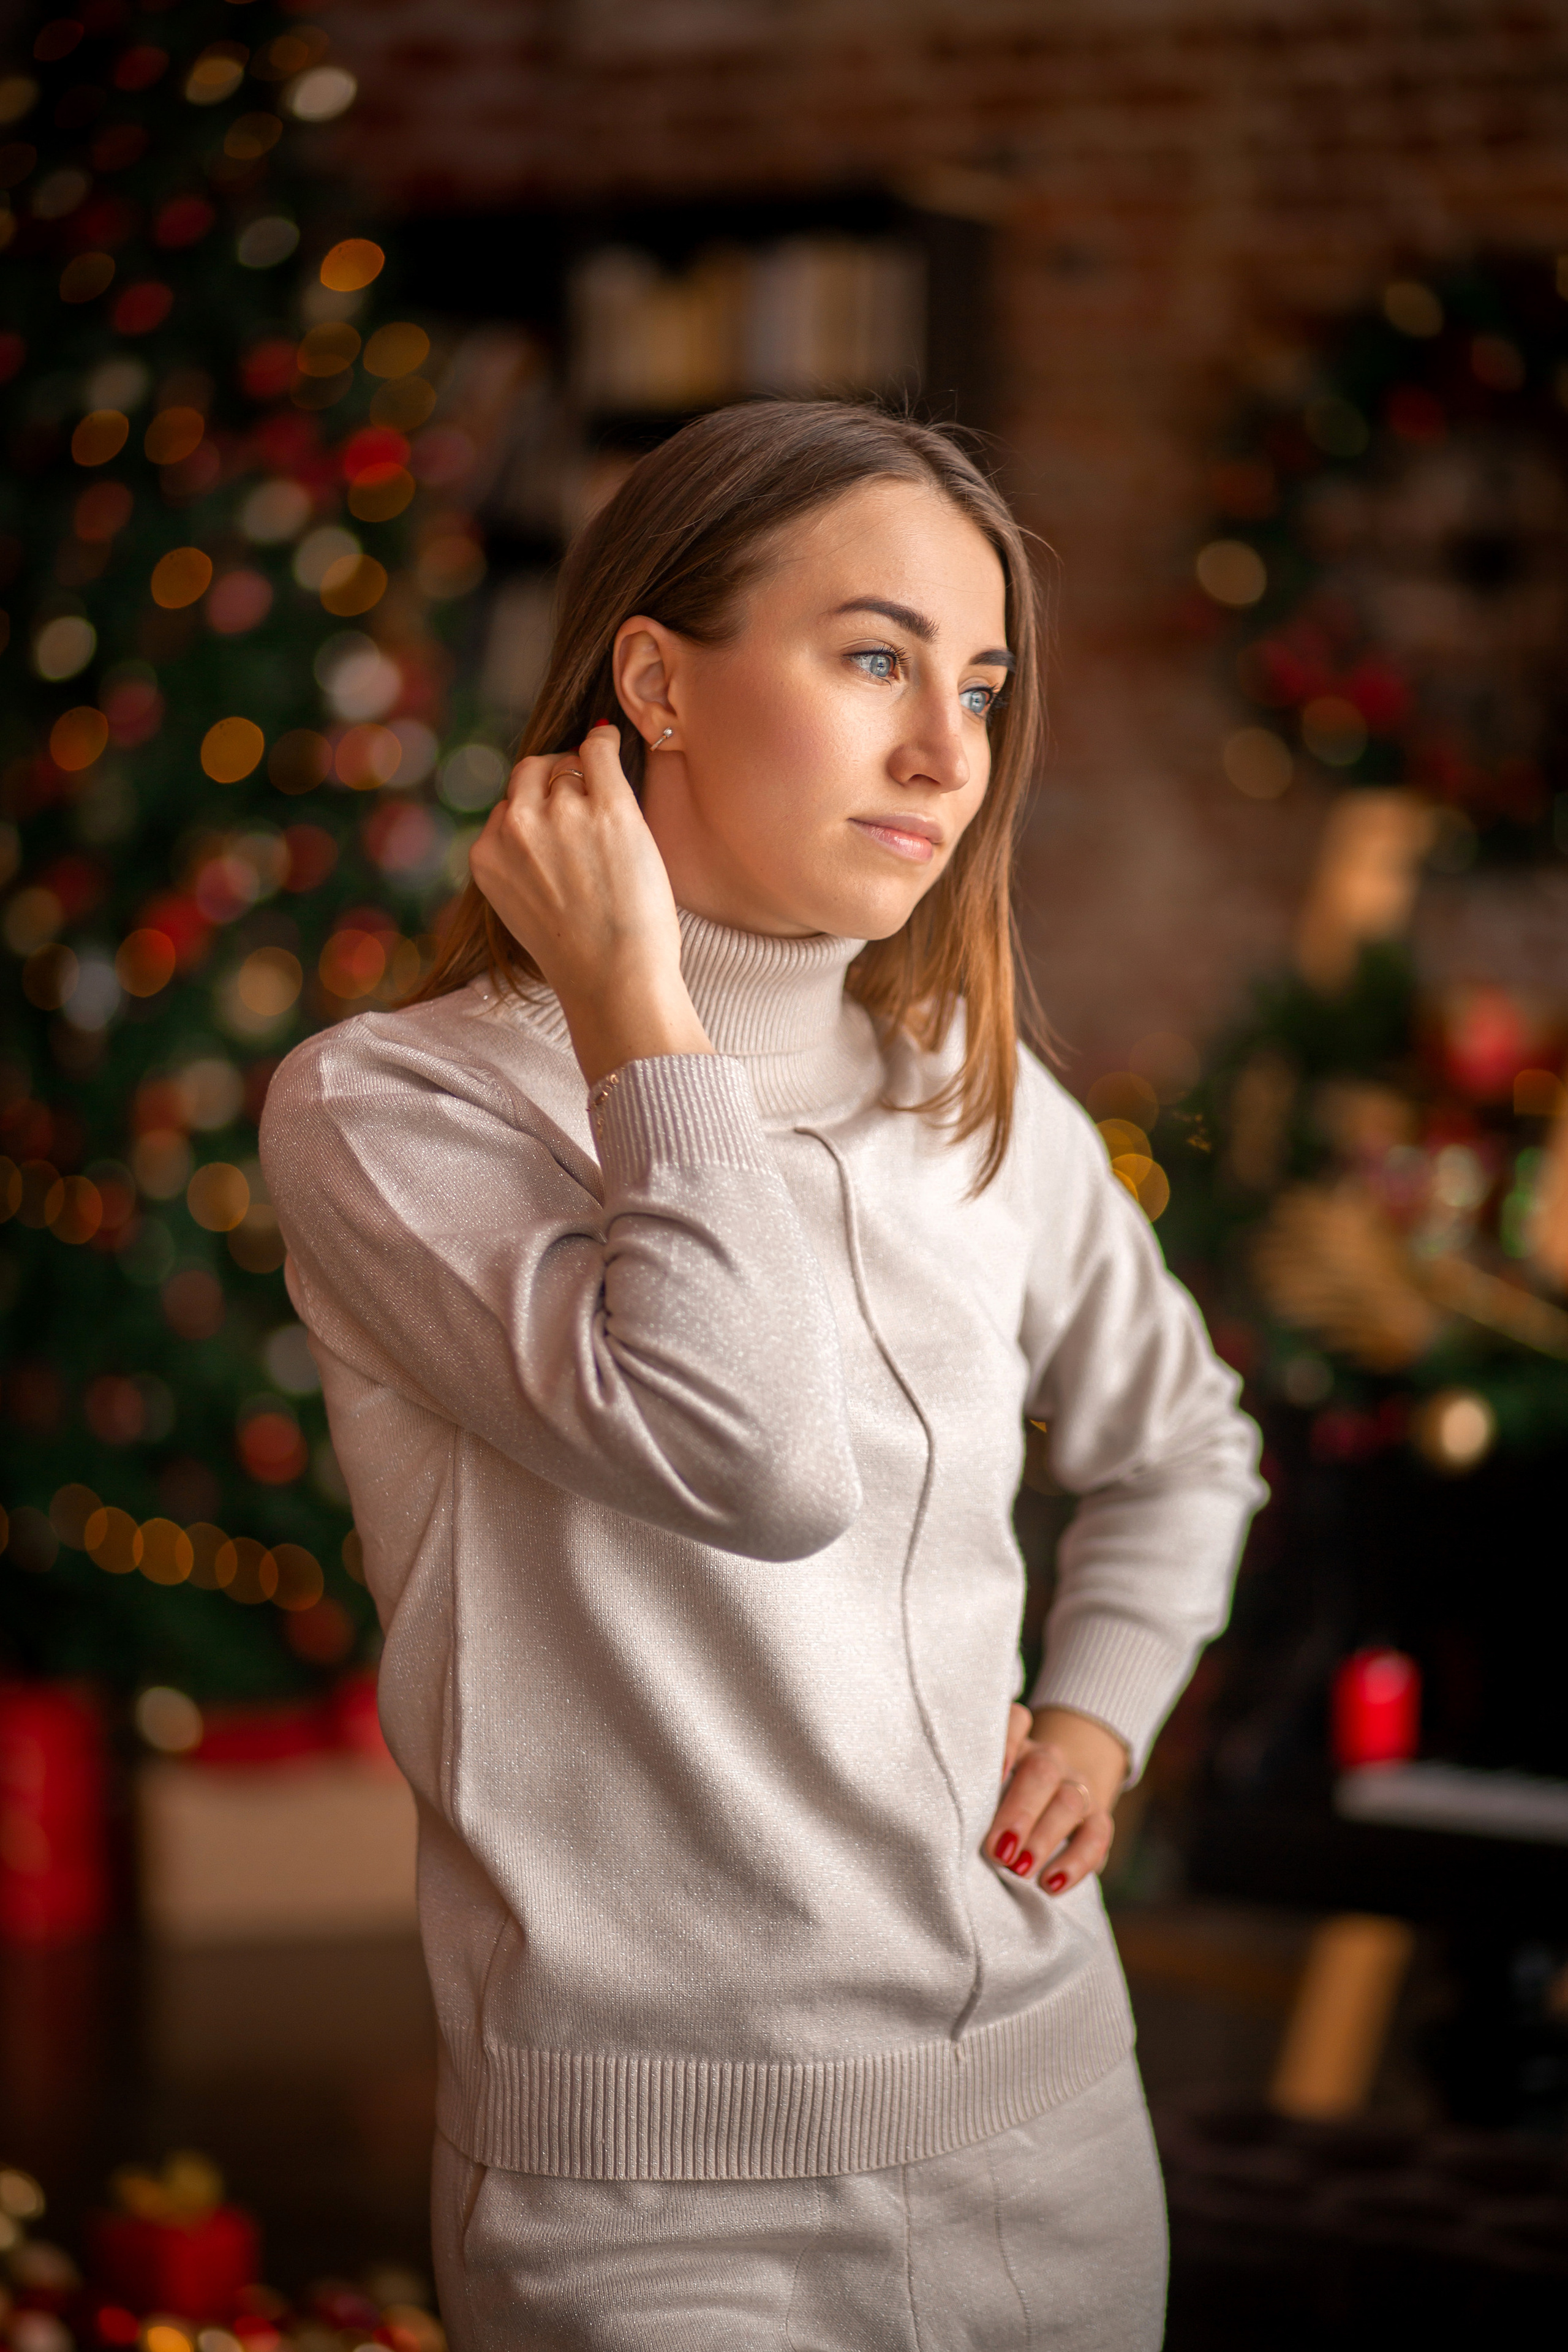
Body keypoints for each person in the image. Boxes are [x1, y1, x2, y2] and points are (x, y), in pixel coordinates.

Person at [261, 399, 1264, 2351]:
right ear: (655, 684)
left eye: (980, 685)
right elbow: (758, 1461)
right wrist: (639, 1011)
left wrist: (1100, 1717)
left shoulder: (975, 1099)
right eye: (875, 658)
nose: (949, 751)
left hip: (1054, 2127)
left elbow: (1185, 1444)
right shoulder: (394, 1115)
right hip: (645, 2212)